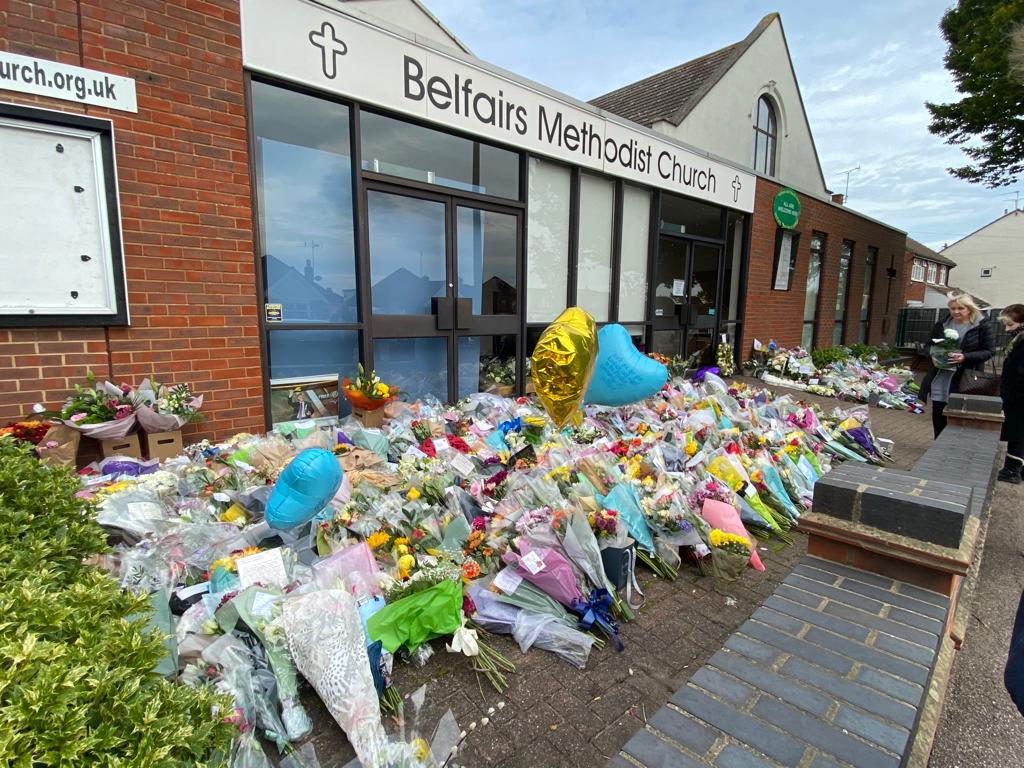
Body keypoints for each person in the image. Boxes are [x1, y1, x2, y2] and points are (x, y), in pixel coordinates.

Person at [920, 292, 996, 439]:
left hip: (965, 378)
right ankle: (939, 443)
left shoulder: (982, 326)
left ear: (969, 309)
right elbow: (928, 345)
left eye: (960, 308)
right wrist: (936, 354)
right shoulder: (942, 324)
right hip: (941, 376)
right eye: (952, 308)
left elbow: (989, 351)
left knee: (958, 414)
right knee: (938, 412)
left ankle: (954, 444)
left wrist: (965, 357)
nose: (956, 312)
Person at [997, 304, 1024, 483]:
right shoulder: (1019, 340)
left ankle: (1012, 470)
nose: (1007, 329)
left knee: (1017, 433)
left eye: (1010, 325)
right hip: (1015, 394)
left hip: (1019, 396)